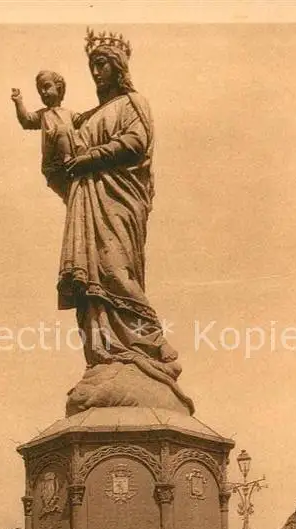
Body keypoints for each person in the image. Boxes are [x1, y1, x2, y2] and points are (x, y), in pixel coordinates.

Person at [56, 30, 194, 414]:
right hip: (89, 202)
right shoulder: (86, 117)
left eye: (102, 64)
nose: (96, 72)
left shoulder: (133, 104)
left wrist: (89, 158)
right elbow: (62, 157)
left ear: (118, 68)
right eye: (92, 65)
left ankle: (153, 345)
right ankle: (104, 356)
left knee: (115, 270)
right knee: (91, 283)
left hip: (119, 201)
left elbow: (134, 143)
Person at [11, 70, 80, 200]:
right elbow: (26, 120)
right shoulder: (43, 114)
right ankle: (68, 161)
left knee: (72, 196)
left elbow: (83, 120)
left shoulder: (69, 113)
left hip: (68, 162)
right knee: (62, 130)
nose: (43, 92)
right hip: (52, 163)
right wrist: (18, 101)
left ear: (59, 88)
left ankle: (70, 160)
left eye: (46, 87)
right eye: (40, 91)